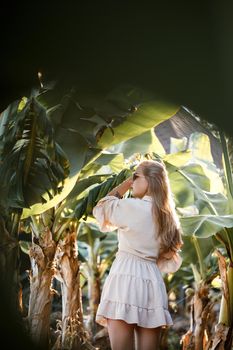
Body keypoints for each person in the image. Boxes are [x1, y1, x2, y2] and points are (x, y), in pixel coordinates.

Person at [92, 159, 183, 350]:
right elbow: (168, 257)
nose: (132, 181)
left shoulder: (132, 207)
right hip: (152, 280)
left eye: (136, 176)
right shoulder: (168, 218)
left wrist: (125, 184)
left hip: (125, 278)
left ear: (149, 181)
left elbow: (101, 208)